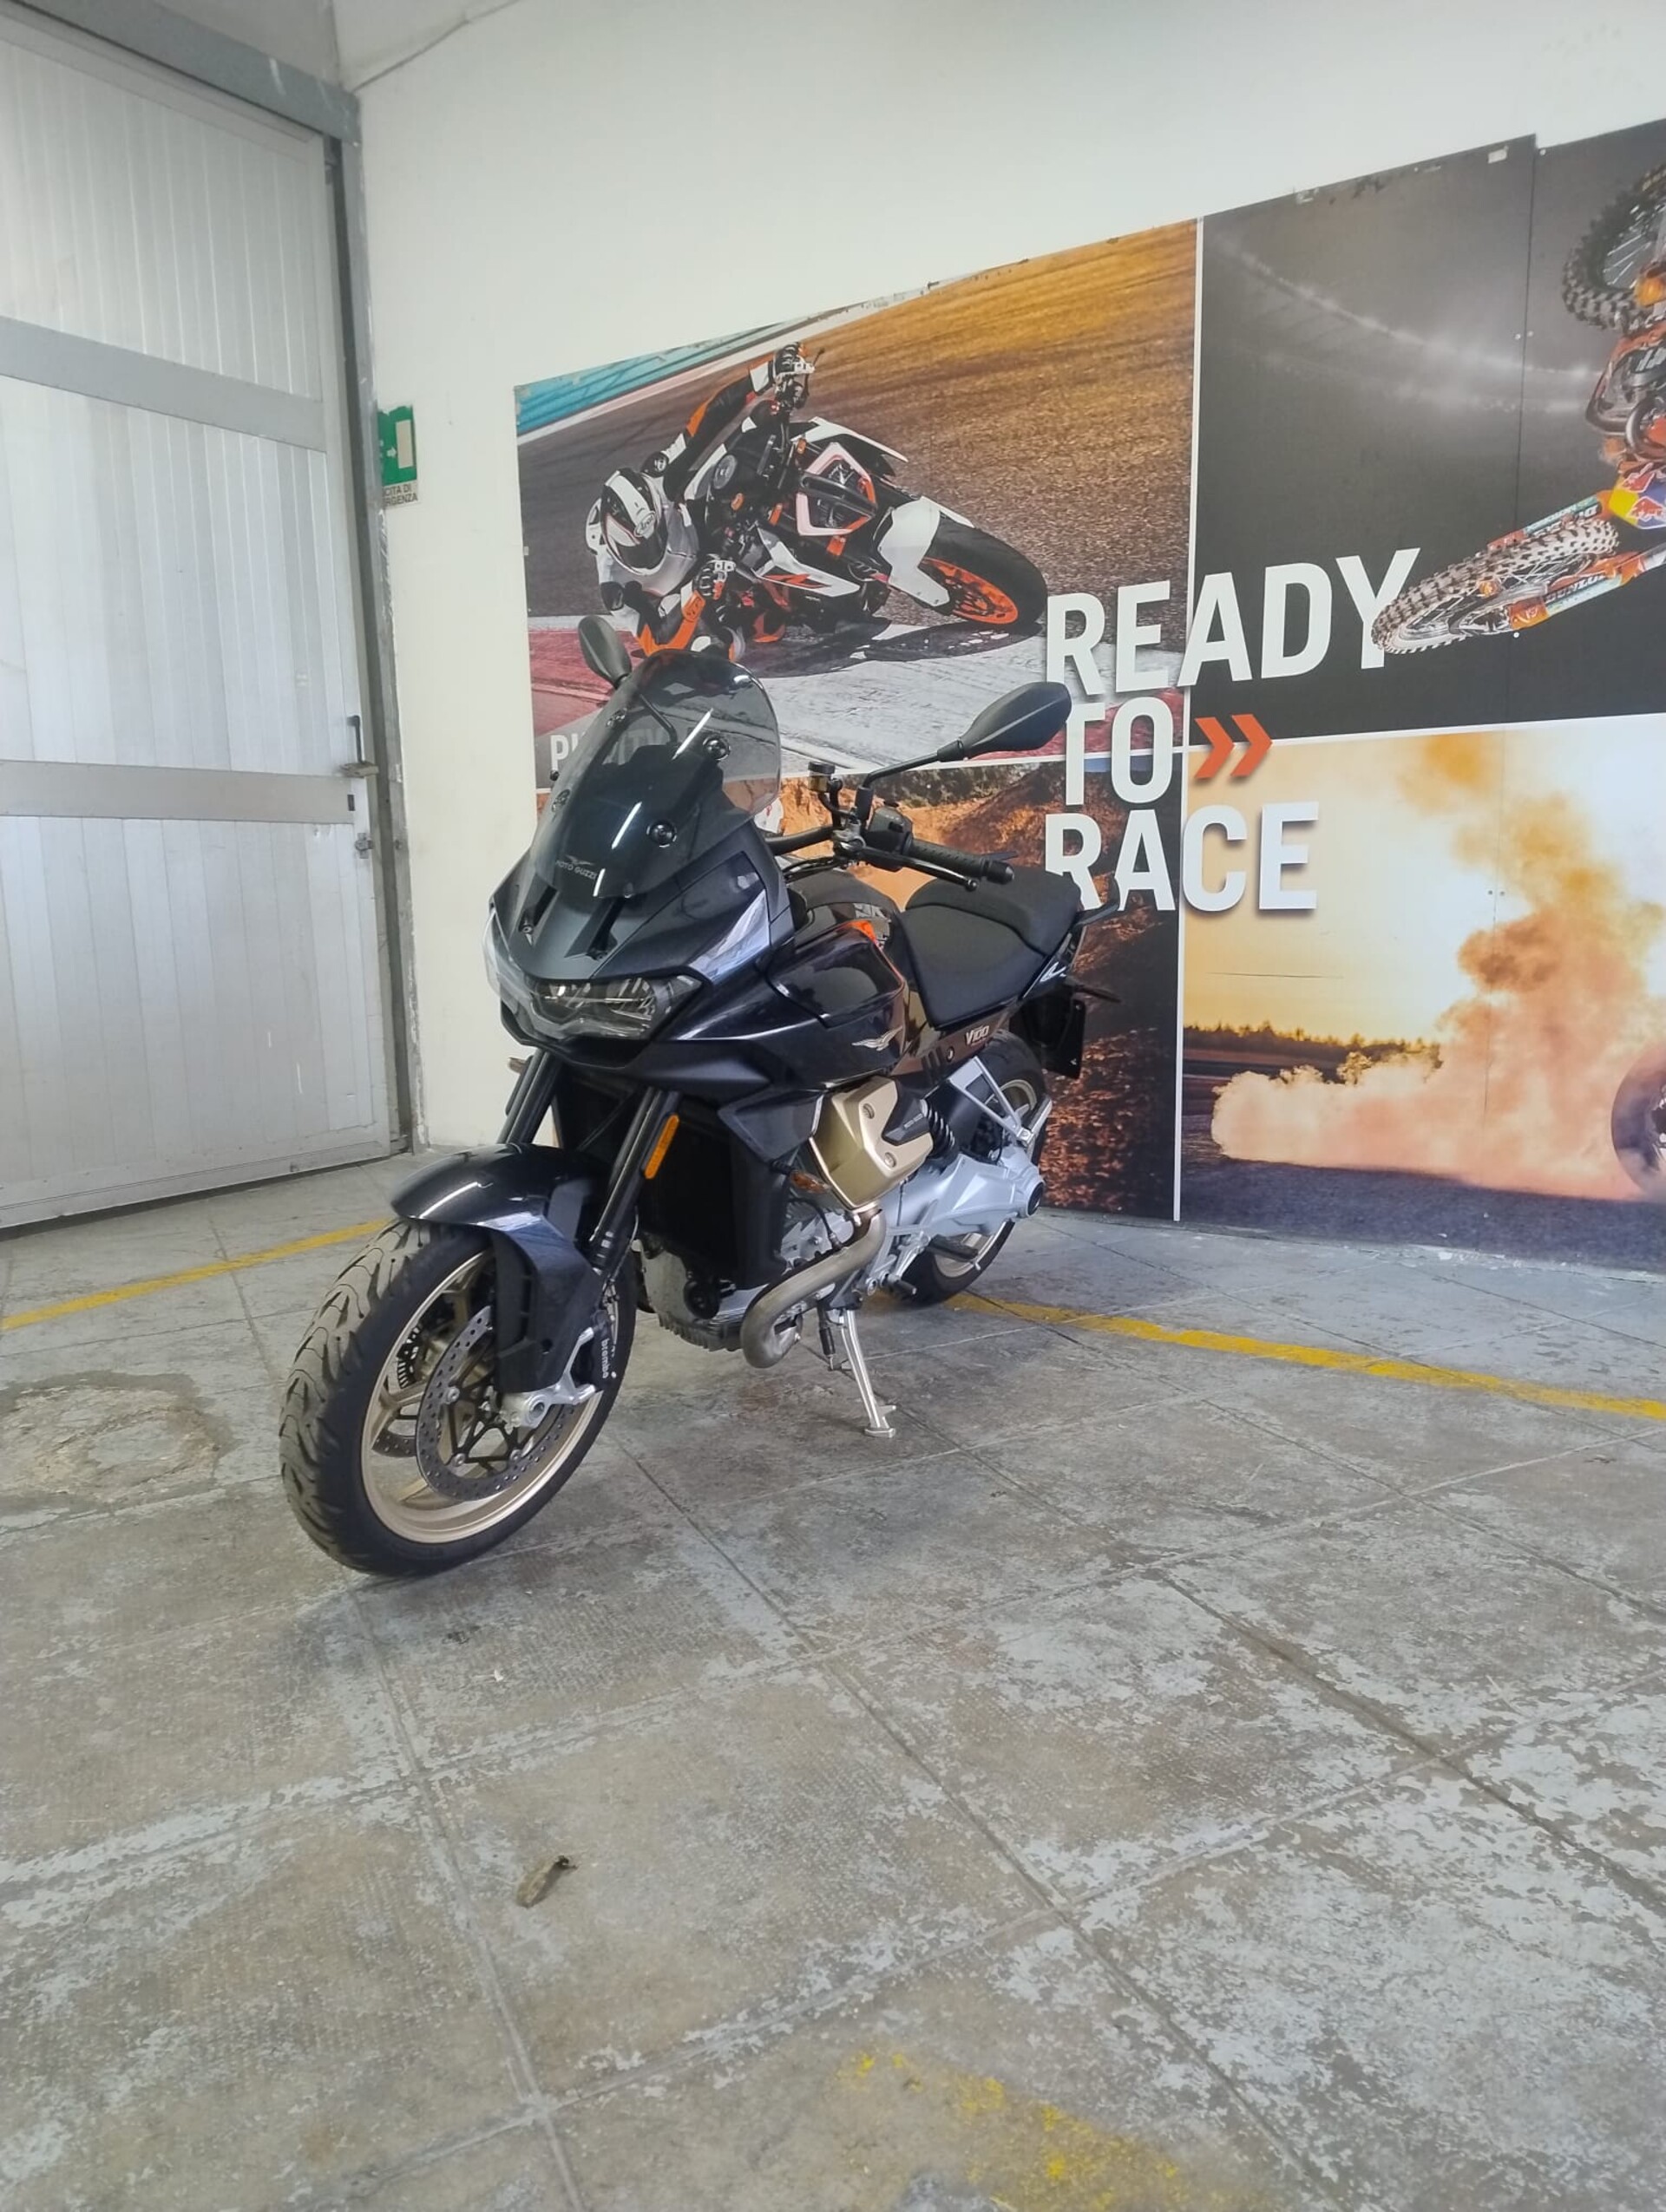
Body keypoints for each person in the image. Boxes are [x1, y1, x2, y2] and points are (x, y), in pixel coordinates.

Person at [584, 344, 812, 654]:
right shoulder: (613, 586)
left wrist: (769, 373)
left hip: (703, 525)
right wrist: (695, 596)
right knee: (722, 646)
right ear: (612, 546)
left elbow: (709, 420)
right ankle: (749, 614)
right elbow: (655, 642)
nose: (652, 549)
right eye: (639, 548)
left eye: (654, 535)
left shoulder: (659, 478)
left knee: (762, 423)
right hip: (692, 587)